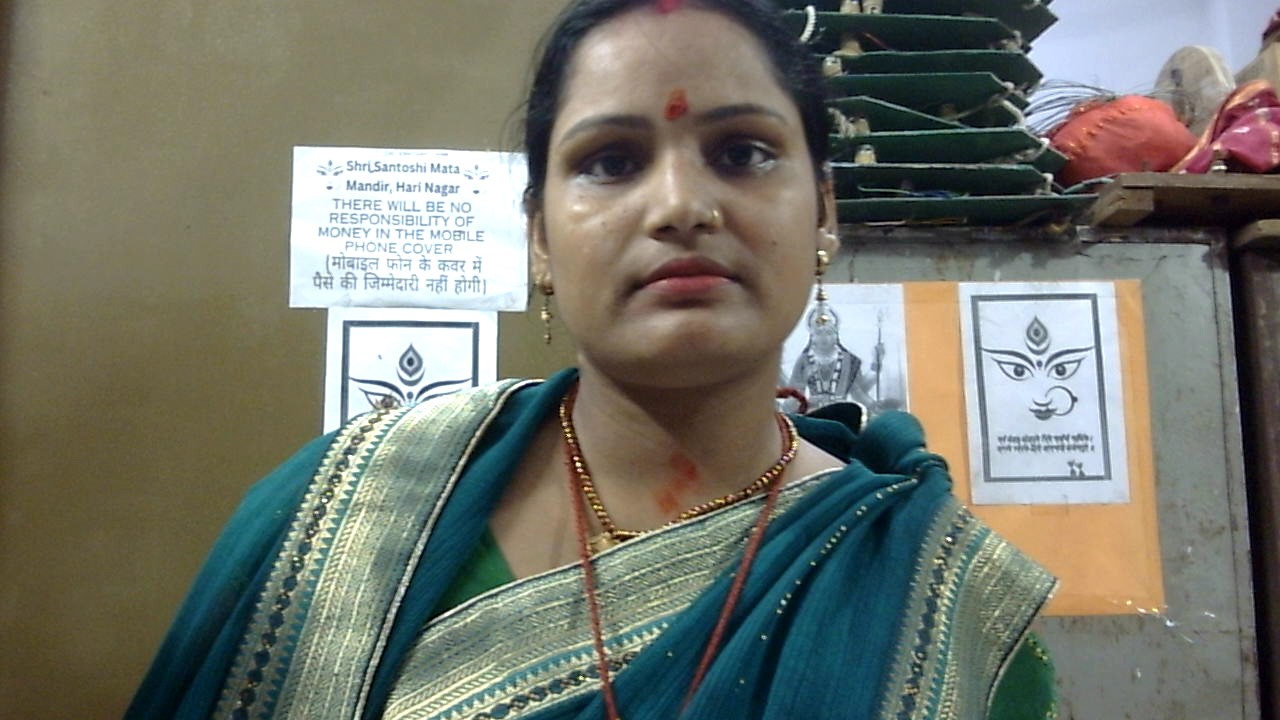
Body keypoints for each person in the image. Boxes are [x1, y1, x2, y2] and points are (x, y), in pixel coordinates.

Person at [126, 1, 1057, 718]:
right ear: (539, 237)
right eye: (611, 161)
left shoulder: (943, 609)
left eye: (741, 152)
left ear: (824, 212)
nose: (680, 206)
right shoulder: (340, 516)